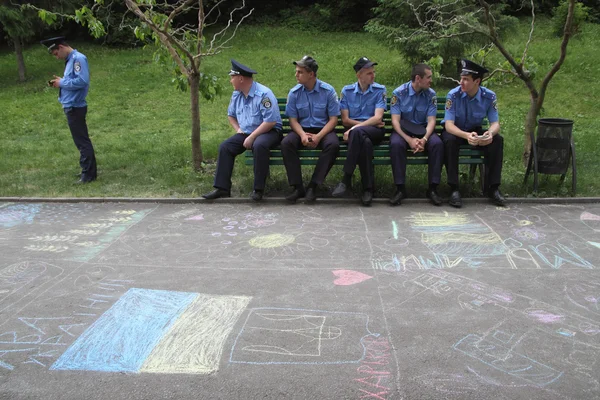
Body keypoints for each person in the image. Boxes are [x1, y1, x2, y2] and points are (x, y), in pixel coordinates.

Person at [202, 60, 283, 201]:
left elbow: (270, 121)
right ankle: (222, 189)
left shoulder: (264, 94)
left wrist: (252, 137)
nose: (230, 81)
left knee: (259, 145)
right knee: (225, 147)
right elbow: (231, 115)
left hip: (269, 131)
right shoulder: (237, 94)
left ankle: (258, 190)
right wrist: (238, 129)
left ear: (240, 78)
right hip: (246, 132)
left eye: (232, 77)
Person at [442, 59, 506, 208]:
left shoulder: (488, 96)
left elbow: (495, 123)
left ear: (477, 81)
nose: (461, 82)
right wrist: (466, 136)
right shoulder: (453, 95)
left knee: (497, 140)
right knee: (449, 141)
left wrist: (489, 134)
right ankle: (454, 189)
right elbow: (449, 125)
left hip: (475, 129)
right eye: (461, 78)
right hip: (457, 131)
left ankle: (493, 188)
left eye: (466, 79)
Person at [281, 56, 341, 203]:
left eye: (300, 72)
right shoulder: (294, 93)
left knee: (333, 145)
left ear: (311, 74)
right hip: (302, 129)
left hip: (323, 130)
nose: (296, 75)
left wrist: (319, 136)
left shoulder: (328, 91)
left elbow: (333, 119)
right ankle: (297, 187)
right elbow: (293, 120)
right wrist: (302, 134)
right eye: (296, 72)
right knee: (286, 143)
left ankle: (313, 186)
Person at [331, 57, 387, 206]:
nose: (373, 76)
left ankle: (346, 179)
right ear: (359, 75)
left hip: (375, 132)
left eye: (373, 72)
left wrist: (355, 127)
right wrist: (362, 126)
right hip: (361, 134)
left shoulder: (380, 90)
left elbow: (378, 118)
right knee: (365, 143)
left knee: (358, 134)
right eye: (369, 73)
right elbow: (345, 120)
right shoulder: (347, 91)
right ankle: (368, 189)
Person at [41, 36, 97, 183]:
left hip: (75, 106)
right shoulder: (71, 60)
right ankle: (87, 170)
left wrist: (62, 82)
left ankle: (88, 174)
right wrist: (61, 82)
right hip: (71, 106)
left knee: (82, 141)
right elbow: (73, 80)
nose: (56, 57)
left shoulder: (78, 59)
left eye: (56, 53)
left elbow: (82, 81)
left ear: (61, 47)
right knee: (80, 141)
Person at [389, 64, 443, 206]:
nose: (431, 81)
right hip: (403, 131)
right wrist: (408, 139)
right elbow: (395, 121)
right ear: (418, 78)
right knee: (395, 144)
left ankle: (433, 189)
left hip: (424, 130)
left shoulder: (431, 94)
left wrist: (424, 139)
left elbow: (431, 121)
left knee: (437, 144)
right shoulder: (399, 93)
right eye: (428, 77)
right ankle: (400, 188)